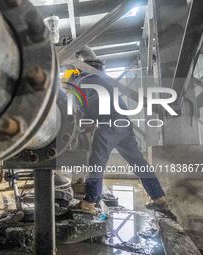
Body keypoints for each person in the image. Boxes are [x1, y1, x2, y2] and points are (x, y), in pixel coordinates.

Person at [67, 45, 167, 214]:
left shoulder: (79, 82)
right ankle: (159, 197)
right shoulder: (102, 78)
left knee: (96, 163)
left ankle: (89, 202)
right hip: (124, 124)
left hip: (109, 125)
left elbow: (85, 117)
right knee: (138, 162)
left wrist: (78, 127)